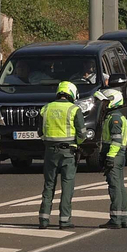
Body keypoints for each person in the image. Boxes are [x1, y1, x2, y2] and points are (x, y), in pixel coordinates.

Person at [37, 81, 85, 229]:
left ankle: (43, 220)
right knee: (67, 186)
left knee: (49, 185)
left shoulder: (46, 108)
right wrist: (77, 143)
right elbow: (82, 134)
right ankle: (64, 220)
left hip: (50, 152)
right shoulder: (74, 109)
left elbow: (40, 132)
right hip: (68, 153)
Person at [96, 88, 127, 230]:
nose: (102, 105)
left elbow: (116, 141)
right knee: (120, 186)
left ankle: (116, 219)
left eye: (104, 102)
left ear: (112, 102)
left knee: (115, 187)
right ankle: (123, 218)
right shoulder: (115, 117)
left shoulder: (114, 119)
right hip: (118, 155)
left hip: (115, 155)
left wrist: (109, 157)